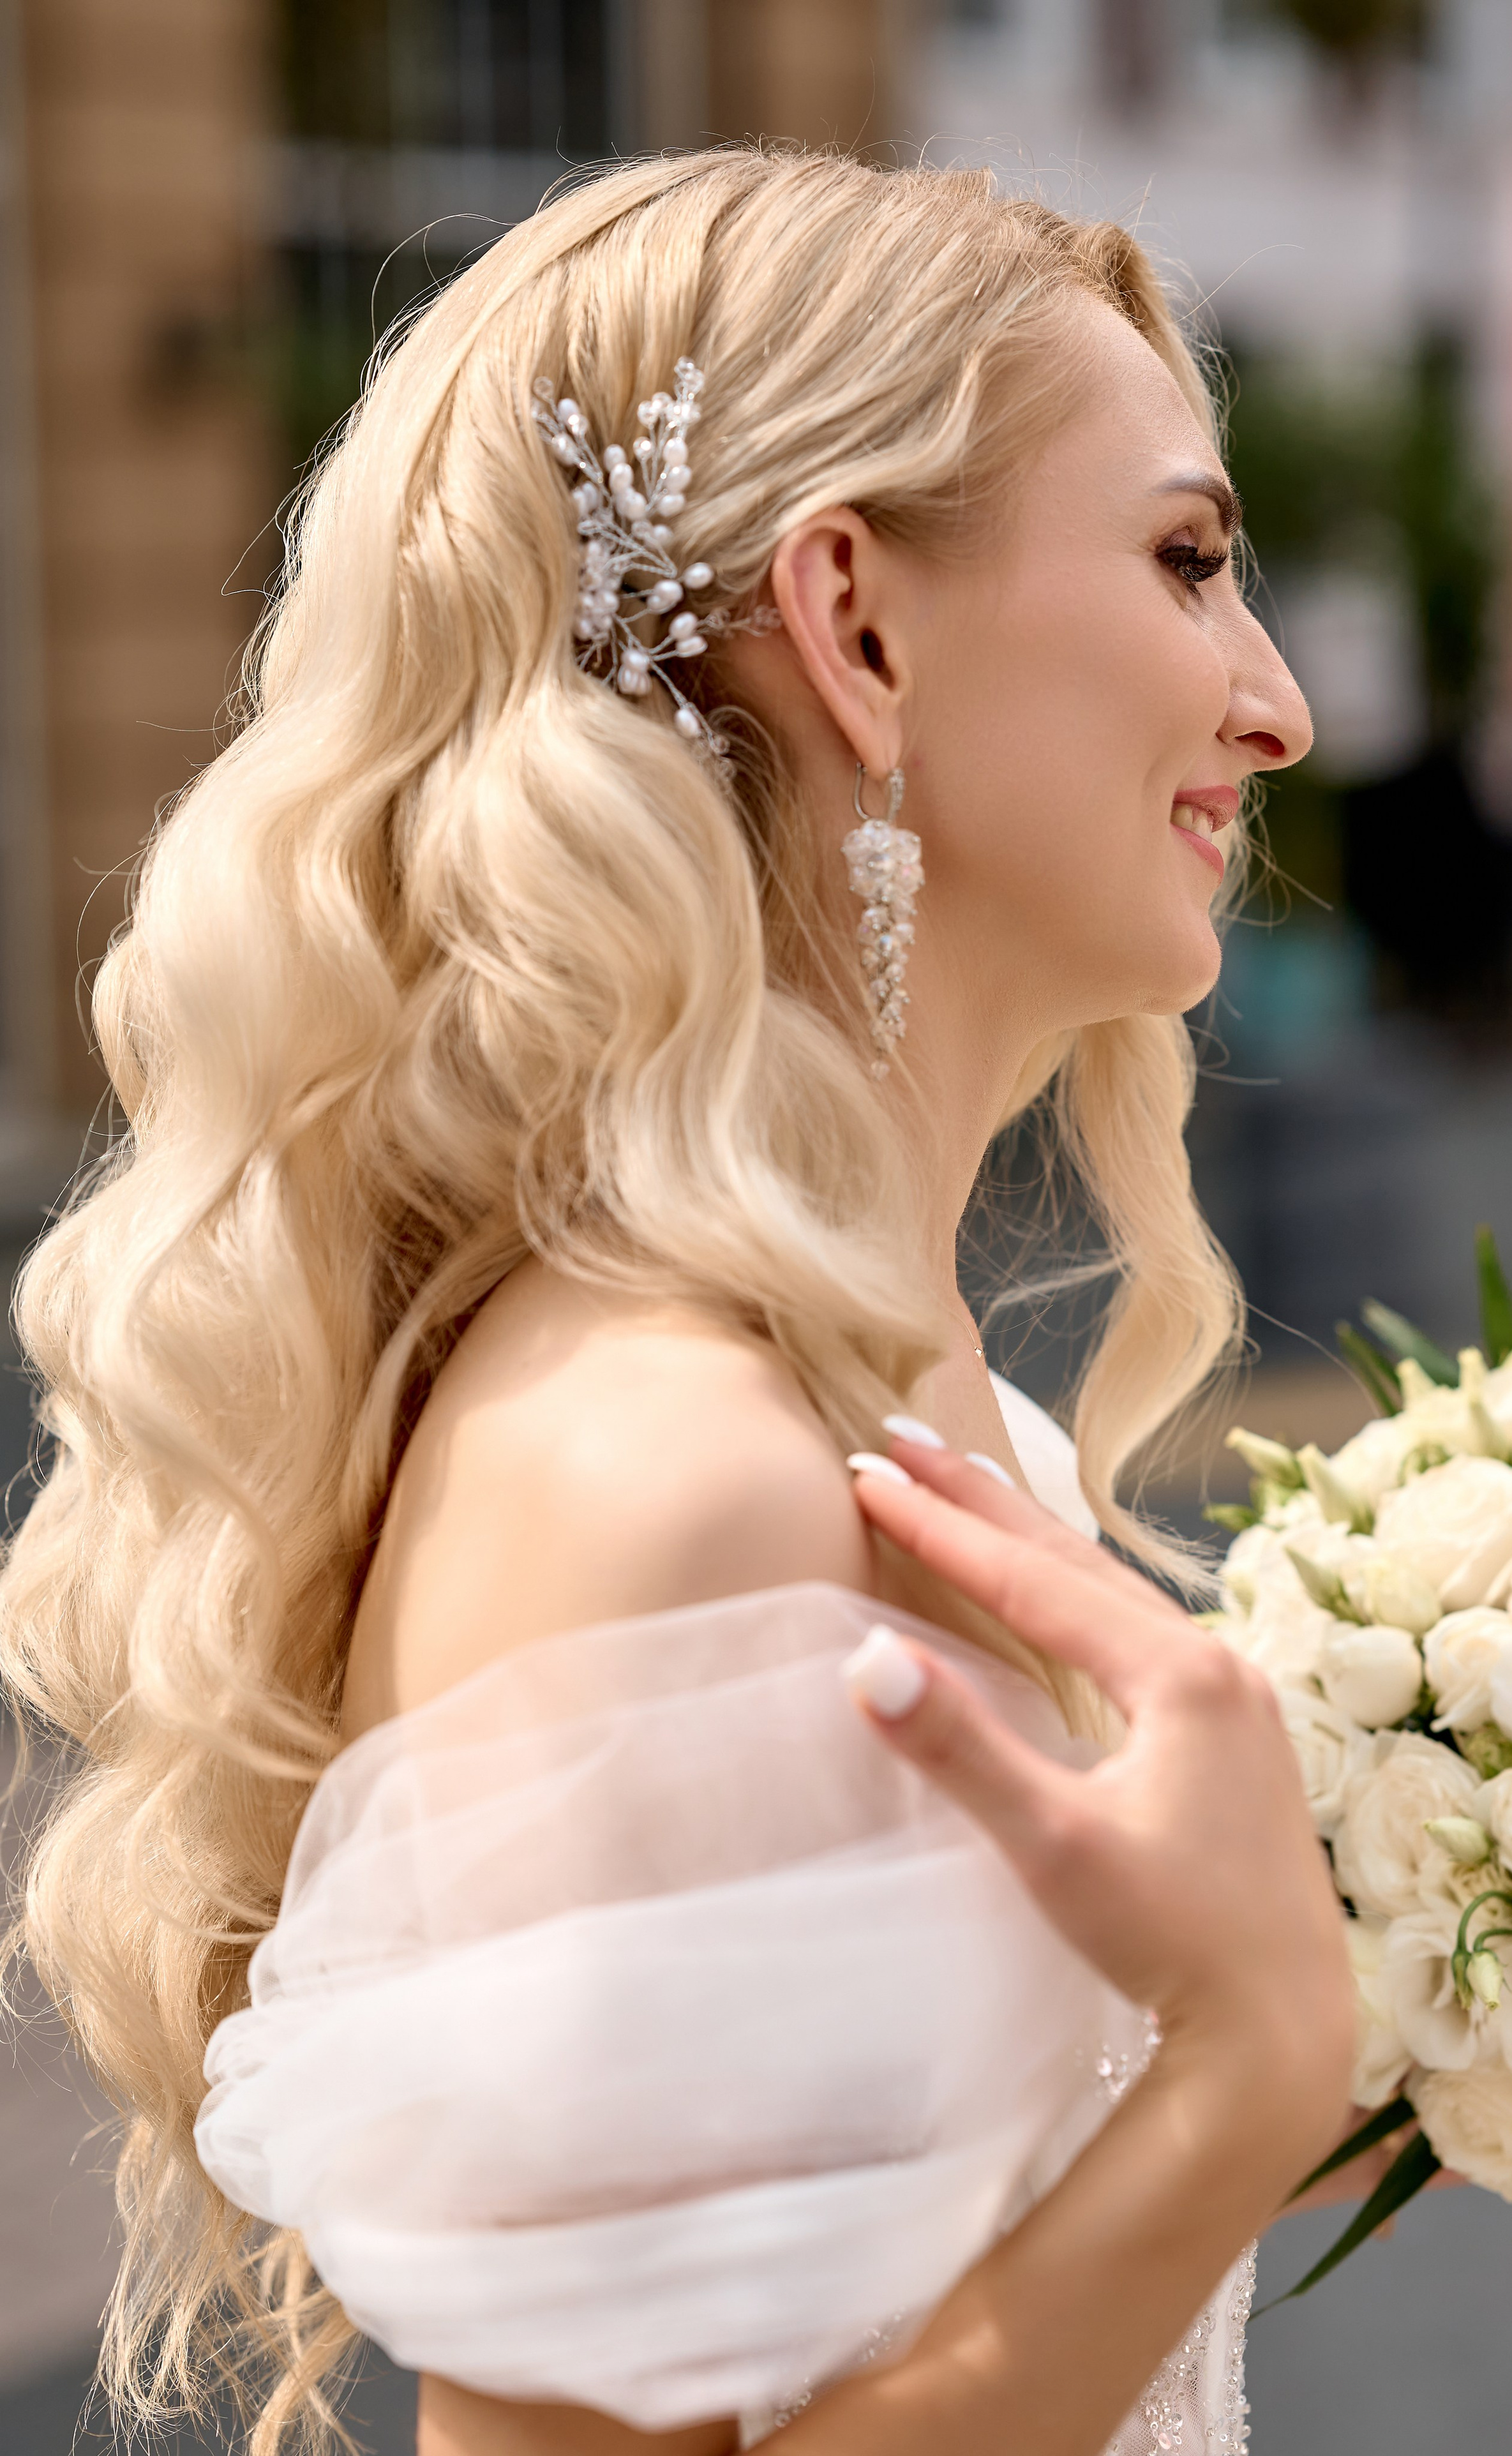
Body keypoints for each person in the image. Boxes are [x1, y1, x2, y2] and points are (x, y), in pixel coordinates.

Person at [0, 148, 1361, 2456]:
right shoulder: (667, 1482)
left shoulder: (917, 1430)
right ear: (856, 623)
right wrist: (1244, 2069)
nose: (1278, 708)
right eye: (1190, 562)